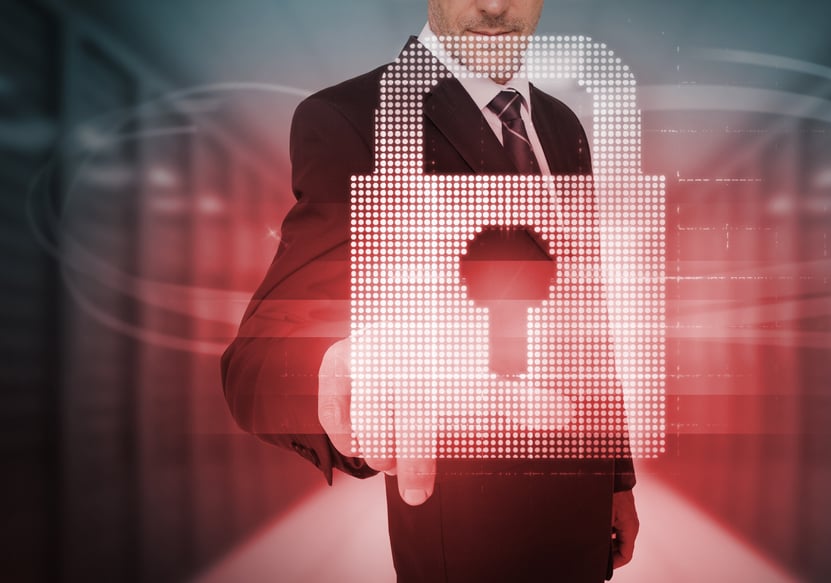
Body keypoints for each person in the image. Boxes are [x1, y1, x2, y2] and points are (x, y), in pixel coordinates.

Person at [221, 1, 639, 581]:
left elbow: (585, 316)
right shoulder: (353, 118)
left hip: (581, 511)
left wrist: (617, 479)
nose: (494, 6)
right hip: (467, 535)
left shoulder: (562, 125)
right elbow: (254, 364)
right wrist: (331, 377)